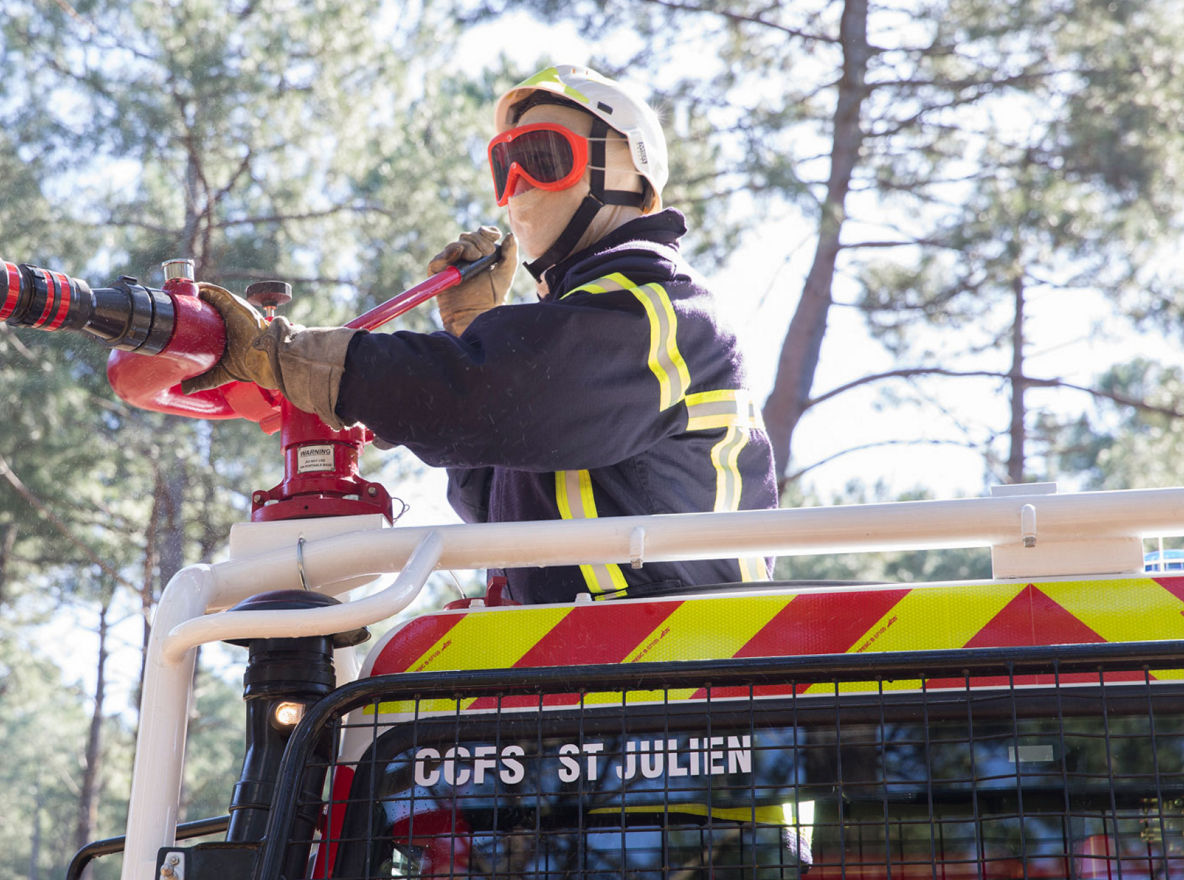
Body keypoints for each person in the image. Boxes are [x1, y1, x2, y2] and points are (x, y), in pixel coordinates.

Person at [183, 65, 777, 603]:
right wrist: (472, 331)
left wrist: (284, 357)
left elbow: (492, 398)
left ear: (626, 170)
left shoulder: (662, 310)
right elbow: (492, 494)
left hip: (683, 668)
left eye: (543, 157)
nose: (516, 183)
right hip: (596, 665)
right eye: (504, 163)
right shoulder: (577, 342)